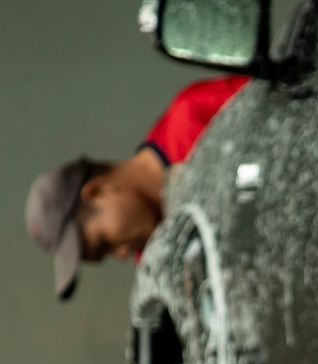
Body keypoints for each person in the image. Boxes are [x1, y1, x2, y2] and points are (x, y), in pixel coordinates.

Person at [25, 76, 248, 301]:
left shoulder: (194, 116)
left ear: (97, 192)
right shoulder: (156, 267)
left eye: (104, 243)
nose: (122, 254)